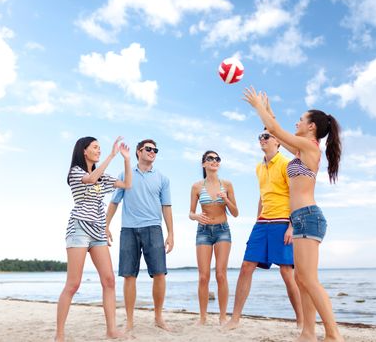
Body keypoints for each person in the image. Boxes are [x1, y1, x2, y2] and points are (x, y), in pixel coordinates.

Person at [244, 86, 344, 342]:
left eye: (301, 118)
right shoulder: (301, 149)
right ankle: (308, 333)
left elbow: (275, 132)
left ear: (311, 127)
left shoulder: (310, 148)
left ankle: (333, 334)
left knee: (309, 280)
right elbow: (277, 130)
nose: (297, 121)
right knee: (301, 279)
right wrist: (267, 111)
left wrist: (258, 108)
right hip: (300, 219)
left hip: (309, 217)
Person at [224, 129, 303, 330]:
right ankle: (235, 319)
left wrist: (292, 226)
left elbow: (296, 195)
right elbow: (262, 196)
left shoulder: (287, 164)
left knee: (286, 272)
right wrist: (257, 219)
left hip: (283, 221)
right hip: (262, 223)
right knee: (246, 267)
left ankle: (301, 322)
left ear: (277, 141)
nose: (262, 139)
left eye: (266, 136)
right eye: (260, 136)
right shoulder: (259, 167)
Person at [56, 136, 132, 342]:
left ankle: (111, 330)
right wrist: (111, 155)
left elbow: (127, 184)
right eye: (95, 148)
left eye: (100, 148)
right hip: (79, 228)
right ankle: (60, 335)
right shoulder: (75, 172)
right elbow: (90, 179)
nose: (99, 150)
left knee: (109, 280)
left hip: (98, 231)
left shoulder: (104, 176)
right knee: (73, 284)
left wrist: (125, 159)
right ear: (84, 151)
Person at [106, 139, 174, 332]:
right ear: (138, 152)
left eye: (155, 150)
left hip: (154, 228)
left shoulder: (162, 179)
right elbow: (114, 202)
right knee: (129, 275)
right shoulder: (125, 175)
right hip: (128, 229)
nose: (153, 152)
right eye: (149, 149)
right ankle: (129, 320)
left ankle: (158, 317)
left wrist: (171, 234)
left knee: (160, 274)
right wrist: (106, 225)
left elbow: (167, 207)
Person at [189, 151, 239, 325]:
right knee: (203, 277)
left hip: (222, 231)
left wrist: (226, 199)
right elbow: (191, 213)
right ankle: (202, 317)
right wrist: (195, 217)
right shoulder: (196, 186)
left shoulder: (227, 184)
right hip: (203, 231)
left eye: (217, 159)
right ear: (203, 164)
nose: (214, 161)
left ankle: (223, 316)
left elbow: (235, 213)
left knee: (221, 275)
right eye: (210, 159)